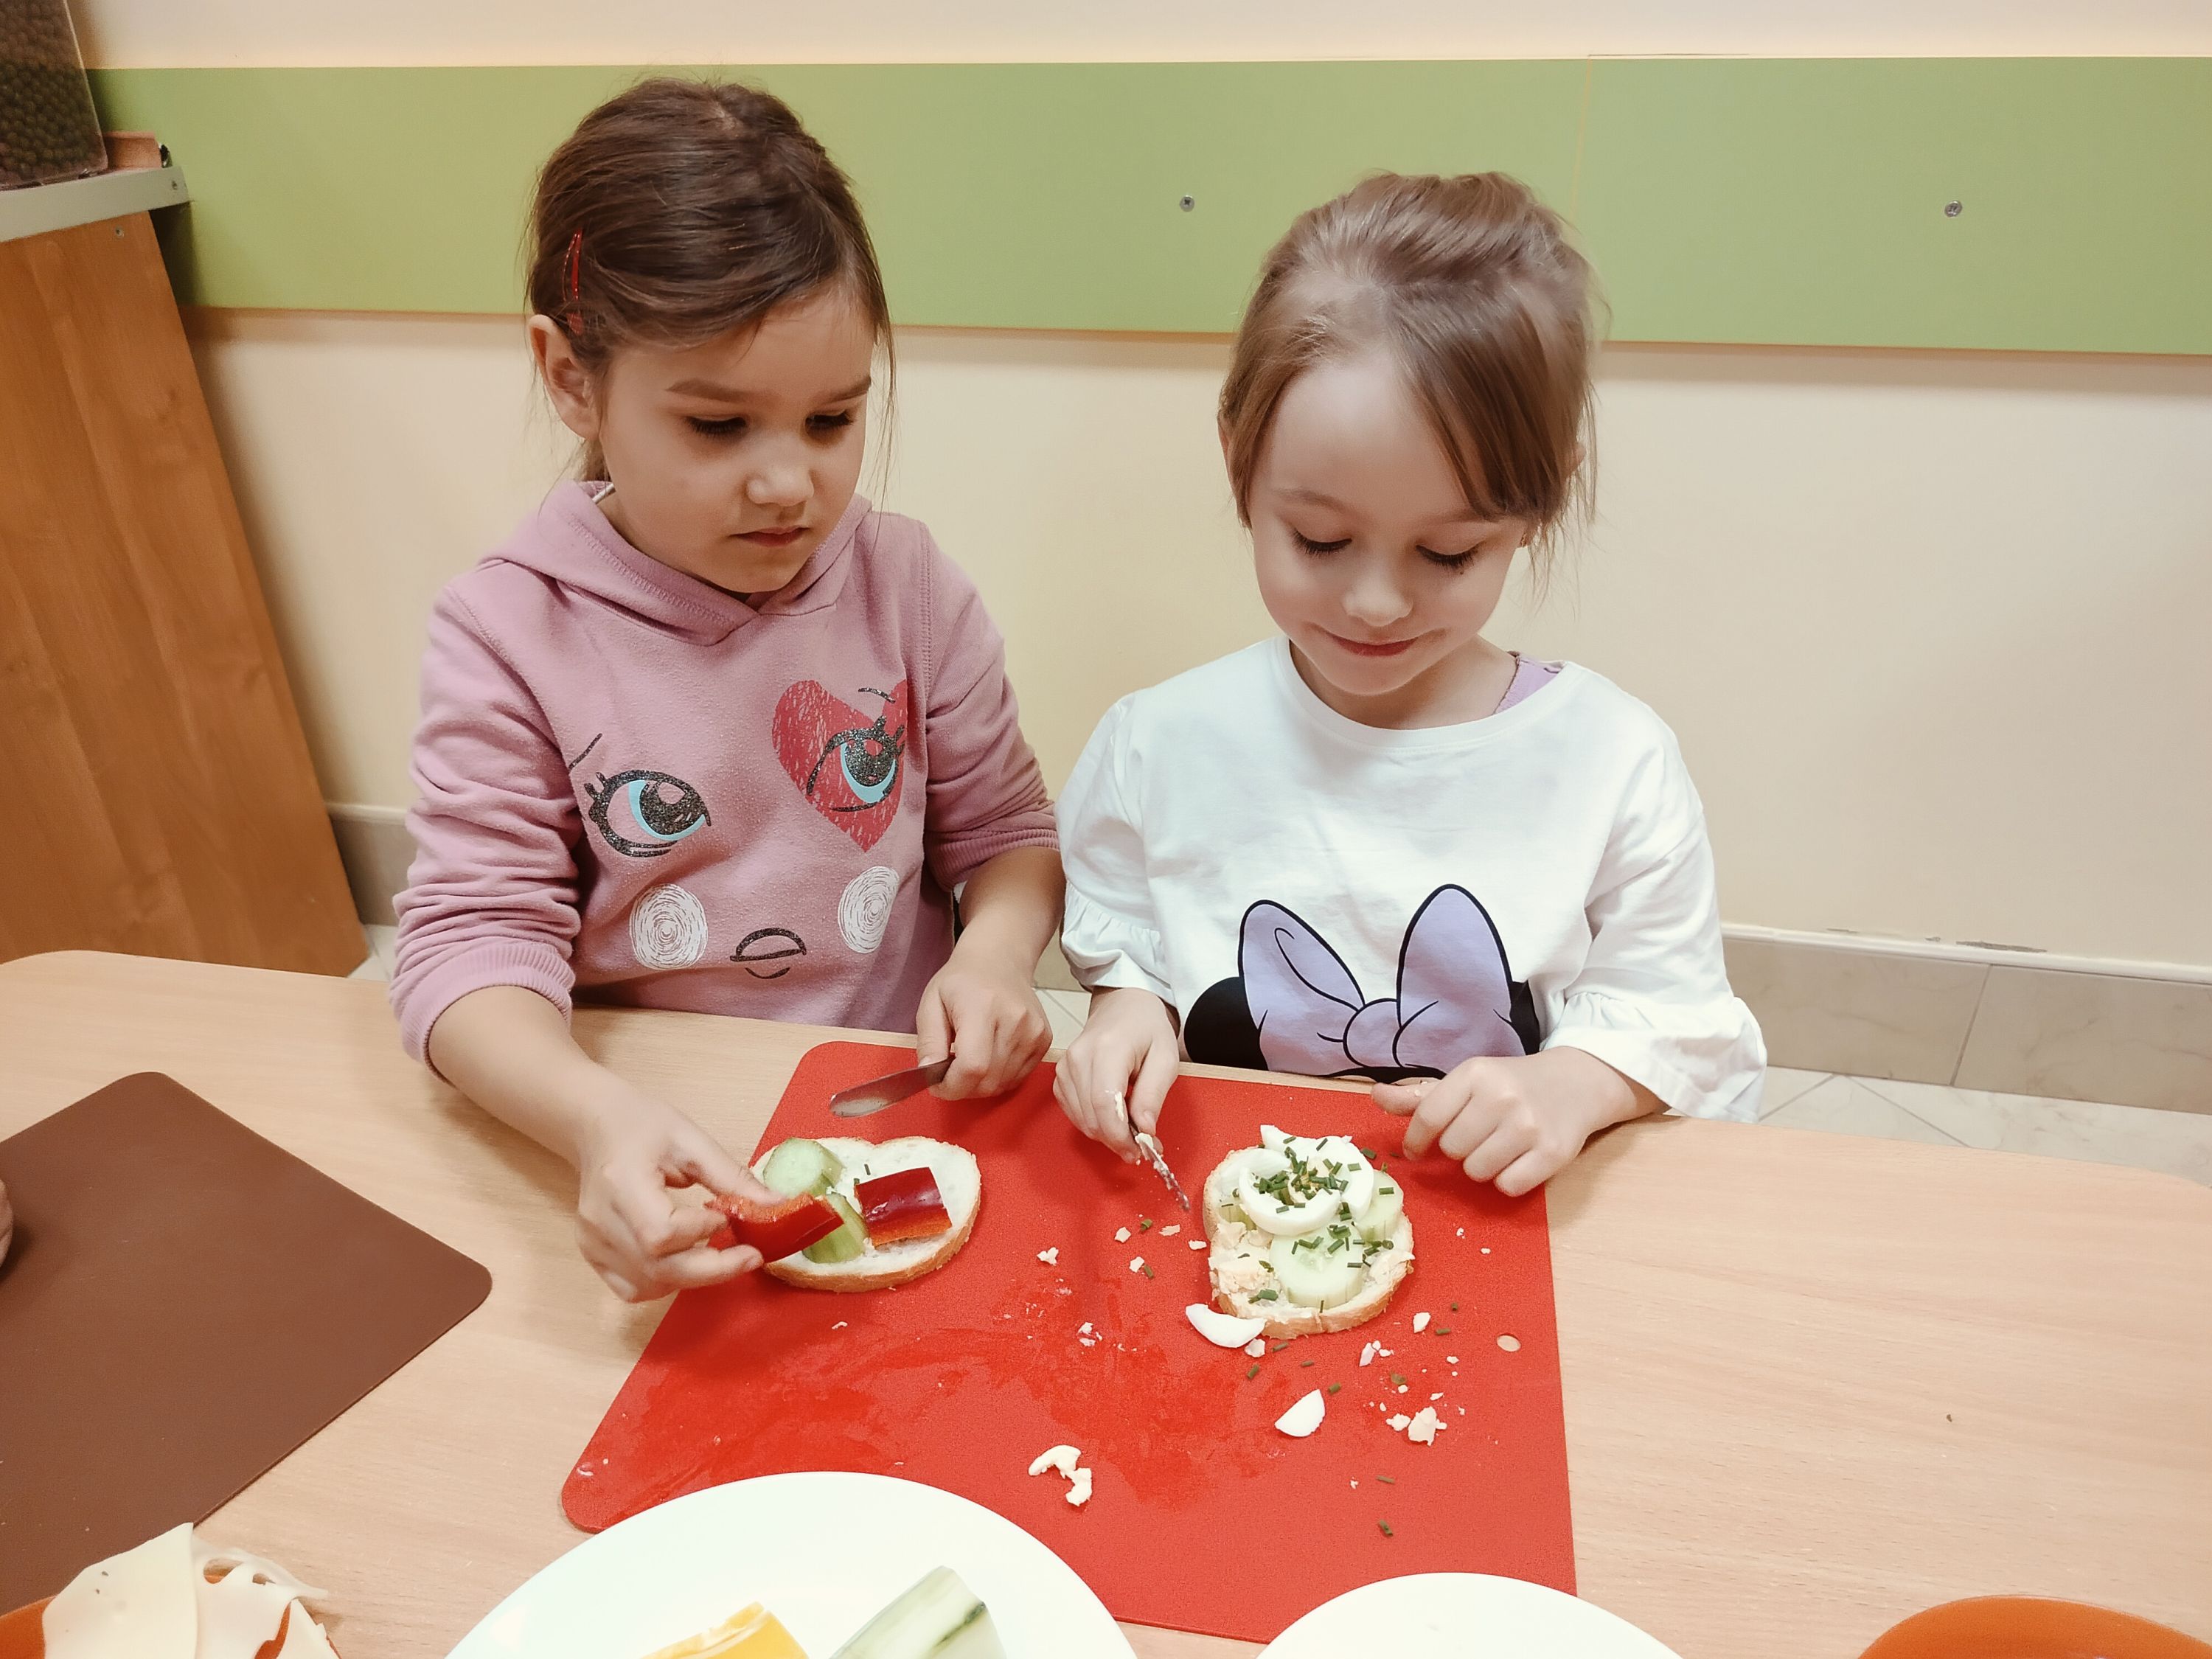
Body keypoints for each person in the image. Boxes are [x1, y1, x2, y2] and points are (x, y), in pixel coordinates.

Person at [391, 80, 1062, 1301]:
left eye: (831, 419)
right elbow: (468, 950)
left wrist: (999, 956)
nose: (788, 484)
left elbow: (1007, 834)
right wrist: (595, 1119)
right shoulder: (510, 632)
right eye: (718, 427)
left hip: (892, 1097)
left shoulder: (909, 585)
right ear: (571, 376)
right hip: (653, 1123)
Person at [1054, 173, 1763, 1194]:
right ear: (1239, 460)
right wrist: (1130, 1008)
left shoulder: (1614, 763)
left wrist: (1577, 1083)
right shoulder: (1157, 743)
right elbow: (1125, 930)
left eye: (1447, 552)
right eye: (1320, 538)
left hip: (1493, 1215)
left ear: (1538, 503)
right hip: (1225, 1210)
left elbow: (1678, 1017)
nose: (1377, 604)